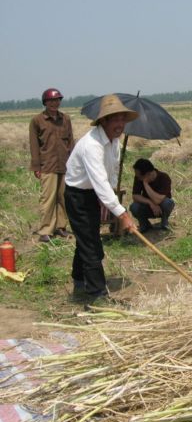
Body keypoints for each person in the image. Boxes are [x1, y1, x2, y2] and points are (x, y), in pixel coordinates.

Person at [64, 94, 137, 303]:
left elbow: (110, 175)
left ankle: (79, 281)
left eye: (123, 119)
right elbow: (99, 181)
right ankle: (97, 295)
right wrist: (122, 213)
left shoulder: (114, 141)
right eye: (115, 119)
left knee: (87, 239)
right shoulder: (91, 145)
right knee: (92, 247)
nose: (120, 124)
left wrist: (110, 202)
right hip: (77, 196)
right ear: (103, 120)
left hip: (94, 194)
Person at [29, 88, 75, 243]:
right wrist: (36, 167)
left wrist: (74, 163)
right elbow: (34, 145)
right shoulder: (37, 120)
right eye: (51, 101)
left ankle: (61, 227)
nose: (55, 103)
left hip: (65, 164)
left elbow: (71, 142)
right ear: (45, 102)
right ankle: (45, 230)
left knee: (63, 197)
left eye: (57, 100)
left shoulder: (66, 119)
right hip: (47, 165)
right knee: (48, 199)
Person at [129, 158, 175, 232]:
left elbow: (158, 200)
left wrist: (145, 184)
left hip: (161, 207)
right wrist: (150, 203)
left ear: (147, 174)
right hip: (147, 207)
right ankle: (145, 224)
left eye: (139, 176)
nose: (137, 178)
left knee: (168, 203)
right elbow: (135, 196)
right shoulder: (138, 178)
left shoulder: (164, 177)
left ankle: (164, 222)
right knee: (134, 207)